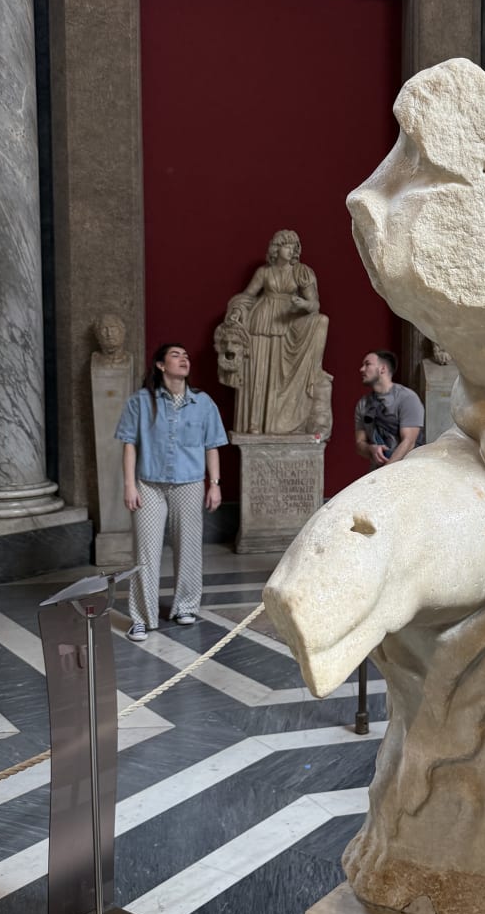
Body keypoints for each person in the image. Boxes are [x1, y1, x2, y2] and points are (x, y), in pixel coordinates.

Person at [116, 343, 227, 641]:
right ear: (161, 365)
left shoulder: (203, 403)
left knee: (189, 549)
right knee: (146, 553)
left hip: (190, 484)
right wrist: (129, 485)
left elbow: (212, 446)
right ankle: (141, 617)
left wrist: (214, 484)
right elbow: (129, 444)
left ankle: (185, 606)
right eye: (176, 355)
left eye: (186, 356)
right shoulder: (140, 402)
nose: (184, 359)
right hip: (148, 484)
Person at [221, 229, 331, 436]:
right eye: (287, 246)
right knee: (260, 373)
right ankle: (256, 423)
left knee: (319, 323)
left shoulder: (301, 272)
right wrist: (236, 312)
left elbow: (315, 305)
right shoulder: (264, 272)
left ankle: (283, 421)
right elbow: (247, 296)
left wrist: (303, 303)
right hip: (262, 322)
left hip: (289, 323)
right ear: (277, 248)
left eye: (294, 246)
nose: (292, 250)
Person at [355, 350, 425, 468]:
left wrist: (386, 474)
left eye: (367, 364)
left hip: (408, 472)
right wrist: (370, 449)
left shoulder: (407, 398)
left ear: (382, 369)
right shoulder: (363, 404)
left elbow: (409, 442)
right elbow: (359, 443)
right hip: (377, 474)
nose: (361, 369)